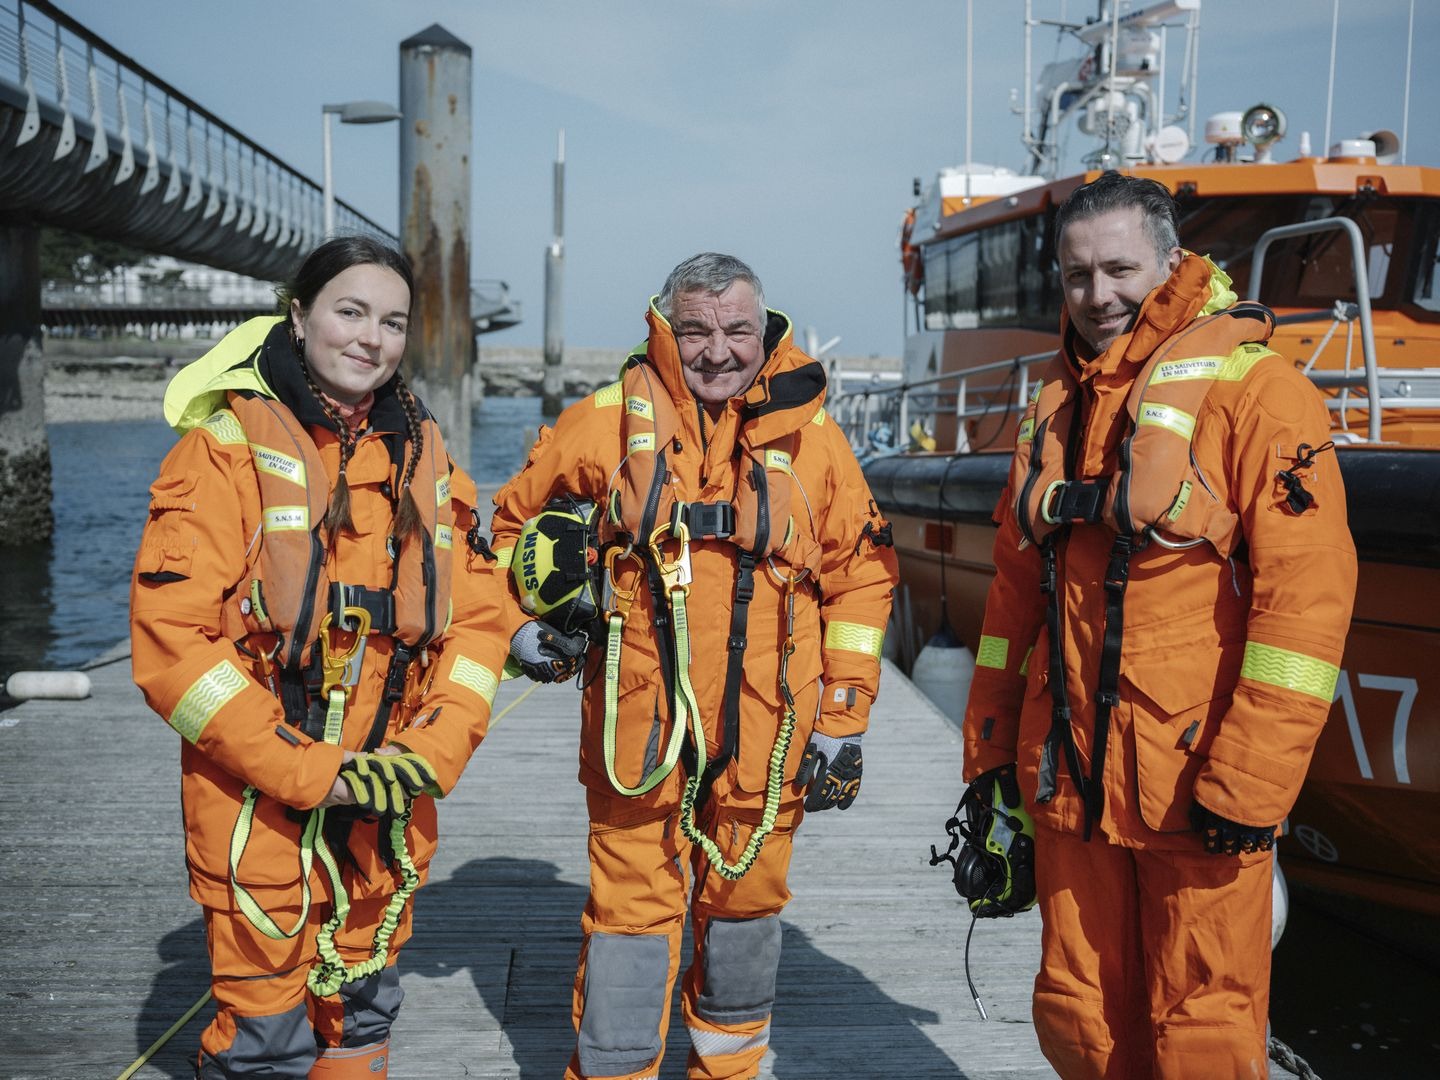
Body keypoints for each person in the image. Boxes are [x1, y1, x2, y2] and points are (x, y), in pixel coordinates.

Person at [957, 172, 1357, 1077]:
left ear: (1172, 263)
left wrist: (1249, 785)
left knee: (1206, 1031)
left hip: (1198, 796)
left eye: (1120, 270)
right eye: (1076, 276)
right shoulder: (1053, 411)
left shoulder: (1261, 396)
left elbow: (1307, 607)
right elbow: (1011, 609)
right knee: (1079, 1020)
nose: (1098, 297)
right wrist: (987, 758)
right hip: (1066, 789)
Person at [482, 252, 899, 1080]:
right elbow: (499, 534)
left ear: (764, 330)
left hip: (772, 734)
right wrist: (520, 627)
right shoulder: (601, 424)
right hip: (639, 734)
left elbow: (862, 576)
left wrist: (841, 720)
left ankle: (729, 1071)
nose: (719, 350)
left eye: (737, 329)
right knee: (631, 925)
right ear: (668, 330)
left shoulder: (815, 441)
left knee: (746, 915)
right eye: (698, 330)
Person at [130, 236, 509, 1079]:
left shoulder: (425, 456)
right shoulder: (222, 452)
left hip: (389, 800)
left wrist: (432, 751)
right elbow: (173, 651)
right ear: (298, 316)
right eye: (350, 311)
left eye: (393, 321)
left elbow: (478, 626)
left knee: (364, 1016)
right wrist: (311, 773)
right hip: (258, 802)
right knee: (267, 1042)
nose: (371, 338)